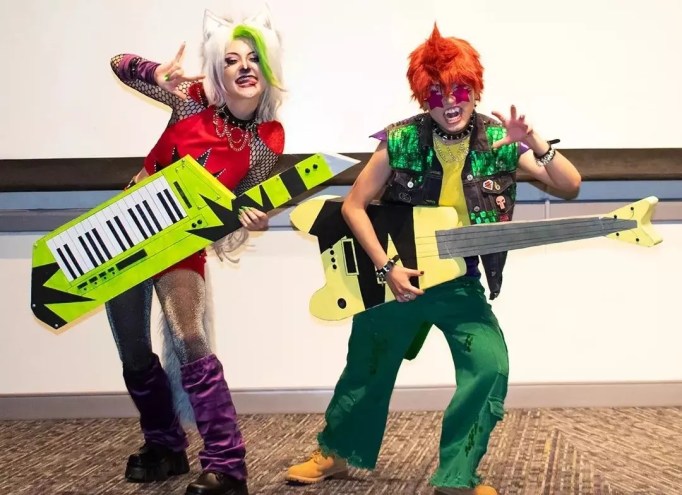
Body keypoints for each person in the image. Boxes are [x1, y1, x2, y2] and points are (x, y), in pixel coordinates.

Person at [285, 25, 581, 495]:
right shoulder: (400, 140)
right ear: (424, 97)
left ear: (475, 90)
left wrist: (535, 141)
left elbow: (570, 185)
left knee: (489, 366)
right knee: (367, 367)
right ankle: (335, 453)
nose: (450, 102)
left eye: (460, 89)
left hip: (459, 282)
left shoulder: (498, 141)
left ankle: (457, 475)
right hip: (396, 279)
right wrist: (387, 268)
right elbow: (353, 206)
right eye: (437, 93)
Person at [105, 8, 284, 495]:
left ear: (268, 68)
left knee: (189, 339)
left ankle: (227, 463)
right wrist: (153, 73)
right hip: (122, 233)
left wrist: (252, 218)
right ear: (218, 71)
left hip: (181, 244)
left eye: (254, 59)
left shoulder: (267, 139)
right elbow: (118, 62)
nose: (244, 67)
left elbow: (240, 204)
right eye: (232, 59)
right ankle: (164, 445)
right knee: (133, 350)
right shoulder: (190, 99)